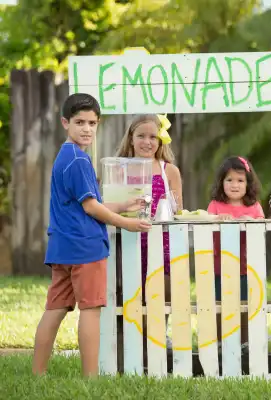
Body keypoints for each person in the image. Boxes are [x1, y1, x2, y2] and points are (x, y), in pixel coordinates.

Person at [32, 93, 151, 378]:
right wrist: (125, 222)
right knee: (91, 311)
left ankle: (38, 373)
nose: (87, 129)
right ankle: (91, 379)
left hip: (61, 247)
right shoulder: (80, 160)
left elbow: (84, 203)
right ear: (65, 123)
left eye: (92, 123)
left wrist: (123, 205)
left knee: (55, 309)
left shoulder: (64, 157)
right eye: (79, 122)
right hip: (85, 248)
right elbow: (91, 207)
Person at [116, 114, 183, 347]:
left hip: (162, 241)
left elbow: (178, 210)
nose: (147, 142)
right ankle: (132, 338)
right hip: (130, 238)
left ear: (161, 140)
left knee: (161, 289)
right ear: (131, 139)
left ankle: (157, 334)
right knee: (133, 290)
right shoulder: (121, 168)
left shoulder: (169, 171)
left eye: (153, 137)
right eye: (141, 136)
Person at [207, 156, 264, 348]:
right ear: (221, 182)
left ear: (248, 184)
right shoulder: (215, 205)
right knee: (219, 303)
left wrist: (253, 221)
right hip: (219, 265)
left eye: (240, 180)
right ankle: (220, 340)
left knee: (245, 304)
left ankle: (244, 340)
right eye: (229, 180)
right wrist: (215, 220)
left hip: (246, 266)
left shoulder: (254, 206)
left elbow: (263, 228)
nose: (234, 185)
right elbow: (204, 227)